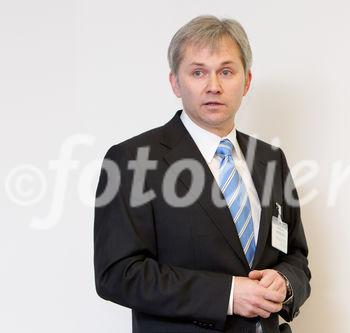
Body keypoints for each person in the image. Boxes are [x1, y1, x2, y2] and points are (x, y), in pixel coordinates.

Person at [93, 15, 311, 333]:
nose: (214, 86)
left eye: (226, 71)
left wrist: (285, 283)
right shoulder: (132, 159)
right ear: (175, 83)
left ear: (246, 81)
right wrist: (228, 294)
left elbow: (296, 258)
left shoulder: (270, 159)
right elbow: (119, 273)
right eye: (198, 72)